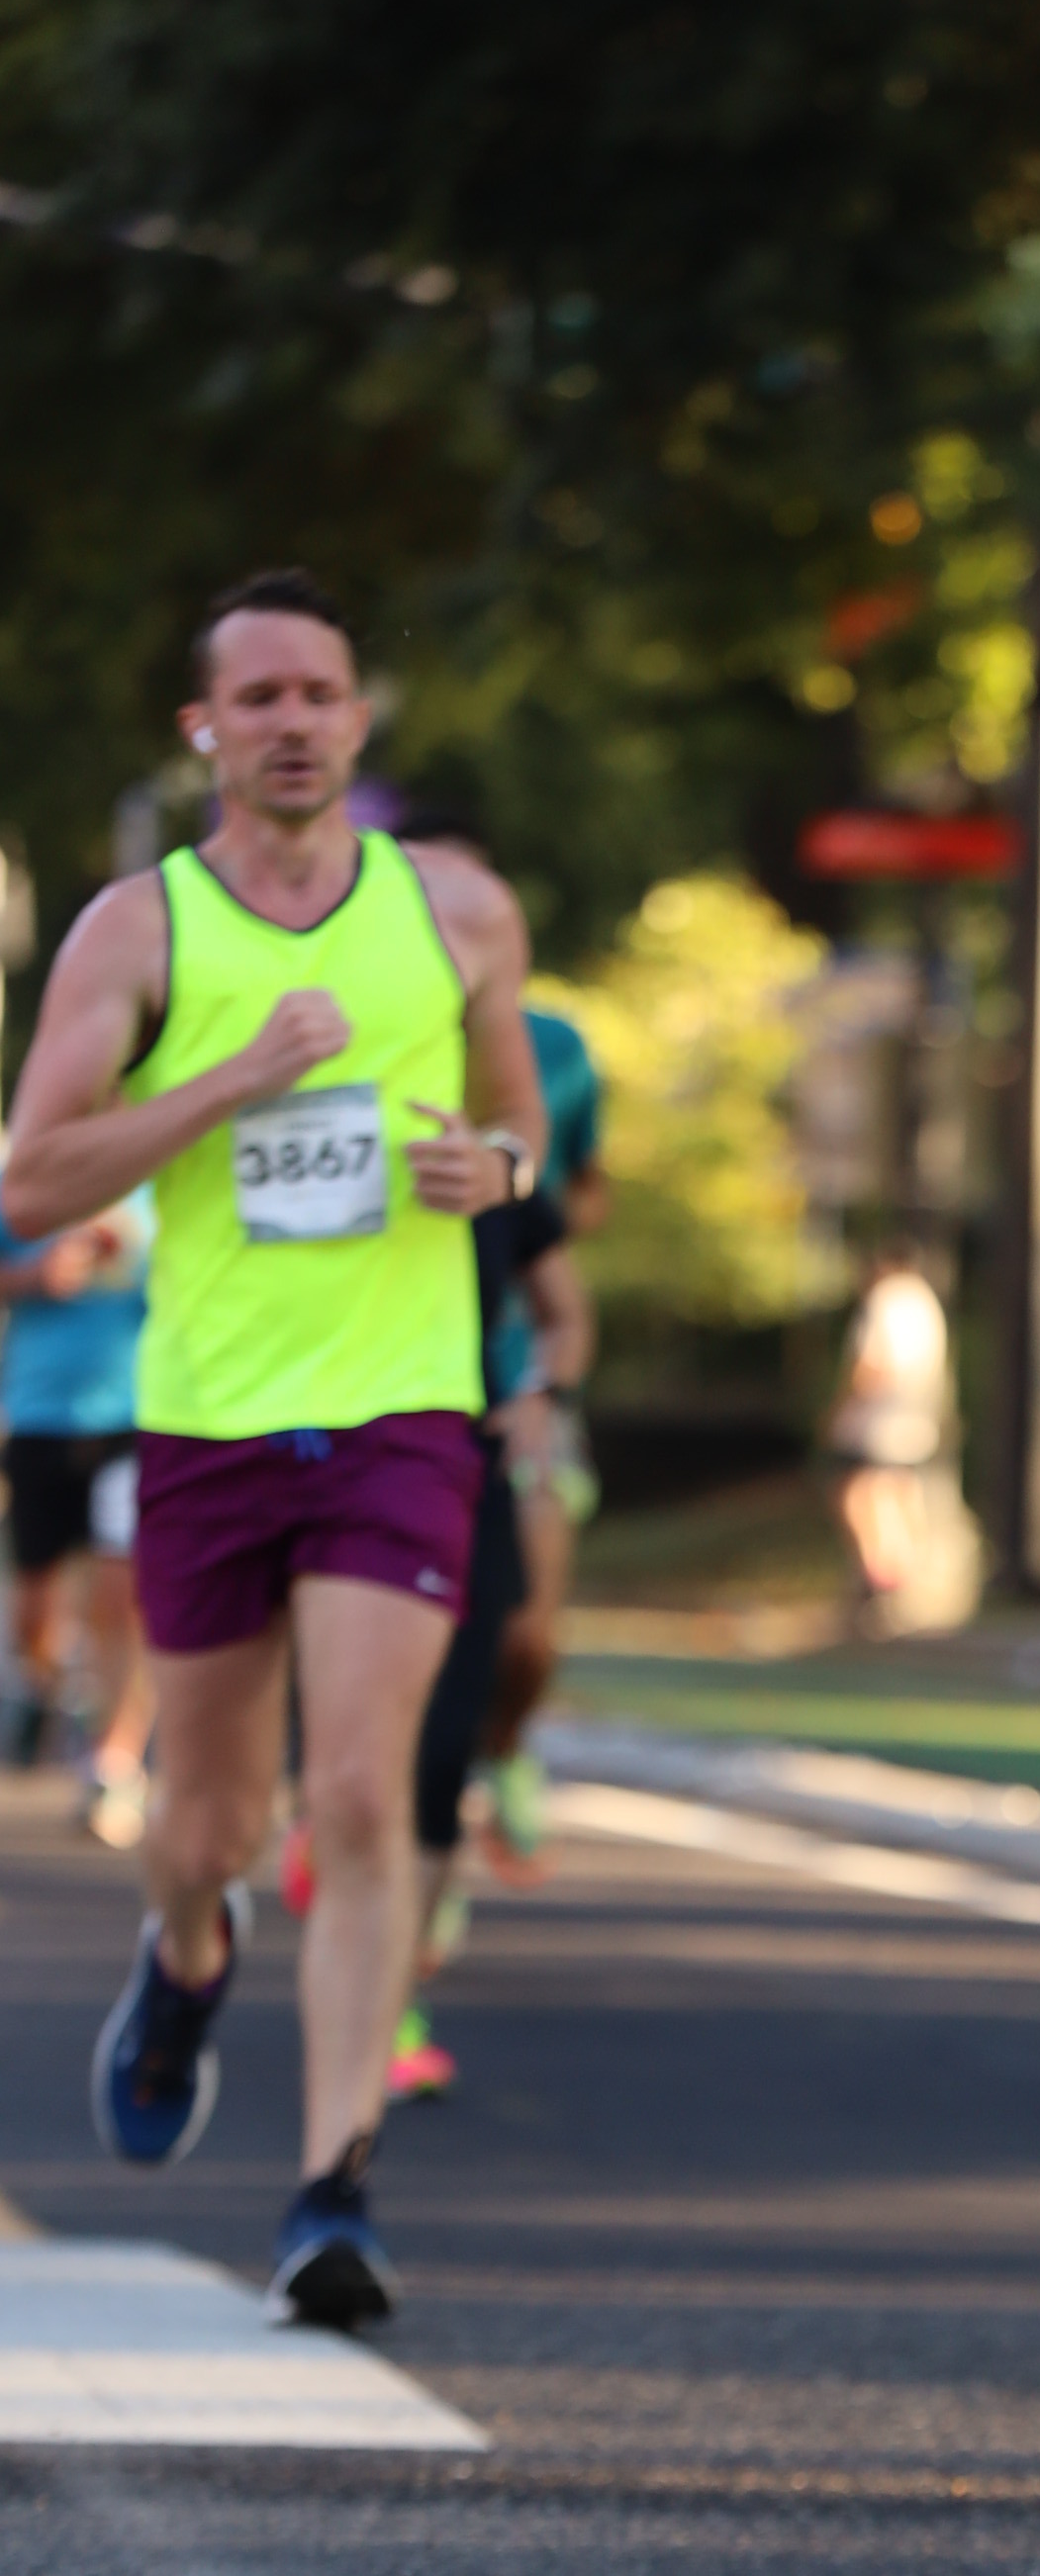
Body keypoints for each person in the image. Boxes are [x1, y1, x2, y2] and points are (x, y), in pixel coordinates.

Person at [0, 566, 544, 2326]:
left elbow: (518, 1121)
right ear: (206, 731)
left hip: (400, 1408)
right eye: (258, 697)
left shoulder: (457, 912)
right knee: (203, 1824)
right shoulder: (137, 933)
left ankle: (332, 2193)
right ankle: (184, 1959)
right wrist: (227, 1080)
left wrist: (496, 1169)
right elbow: (33, 1180)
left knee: (364, 1793)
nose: (292, 721)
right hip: (209, 1417)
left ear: (358, 720)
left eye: (319, 692)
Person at [390, 1145, 594, 2099]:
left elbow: (566, 1312)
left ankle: (392, 1998)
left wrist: (540, 1393)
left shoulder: (494, 1173)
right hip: (309, 1474)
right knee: (357, 1771)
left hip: (462, 1471)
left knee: (442, 1752)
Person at [0, 1180, 156, 1838]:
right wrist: (33, 1276)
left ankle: (113, 1766)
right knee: (35, 1617)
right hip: (40, 1416)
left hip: (135, 1418)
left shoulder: (165, 1189)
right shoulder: (30, 1181)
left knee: (124, 1598)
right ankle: (51, 1686)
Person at [826, 1246, 957, 1621]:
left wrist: (841, 1408)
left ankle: (881, 1579)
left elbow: (873, 1364)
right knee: (899, 1492)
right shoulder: (924, 1300)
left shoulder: (886, 1300)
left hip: (878, 1420)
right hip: (915, 1417)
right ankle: (906, 1577)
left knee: (860, 1495)